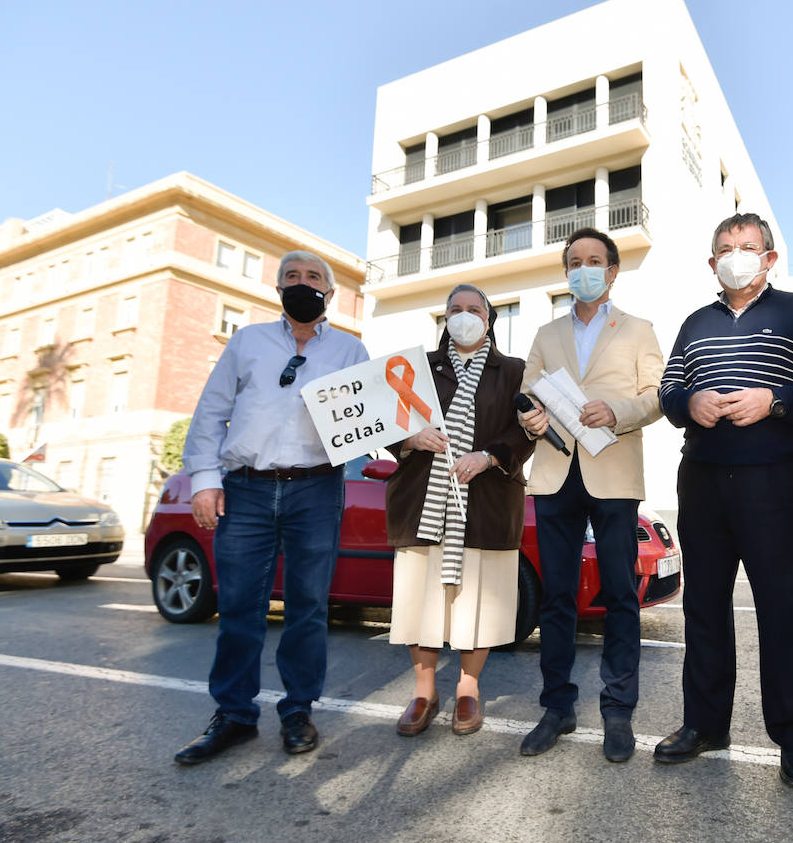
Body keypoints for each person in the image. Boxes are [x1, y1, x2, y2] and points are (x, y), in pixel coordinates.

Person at [656, 211, 793, 788]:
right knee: (704, 607)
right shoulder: (694, 324)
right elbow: (670, 386)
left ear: (768, 258)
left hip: (779, 480)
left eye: (747, 246)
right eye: (725, 247)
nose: (735, 254)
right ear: (712, 261)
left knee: (785, 607)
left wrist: (776, 401)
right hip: (704, 478)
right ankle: (705, 724)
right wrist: (688, 403)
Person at [175, 250, 369, 764]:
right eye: (291, 277)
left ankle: (298, 710)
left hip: (316, 489)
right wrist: (204, 480)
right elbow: (211, 412)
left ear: (329, 293)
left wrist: (413, 434)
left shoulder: (351, 349)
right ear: (277, 288)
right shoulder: (246, 342)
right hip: (246, 488)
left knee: (308, 608)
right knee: (239, 607)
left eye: (312, 278)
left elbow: (375, 416)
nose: (301, 283)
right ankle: (234, 715)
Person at [516, 227, 664, 764]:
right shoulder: (544, 332)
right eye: (574, 261)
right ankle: (557, 707)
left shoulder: (639, 329)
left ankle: (618, 710)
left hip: (613, 472)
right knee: (557, 597)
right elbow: (528, 394)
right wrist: (530, 417)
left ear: (612, 271)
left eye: (595, 260)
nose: (584, 268)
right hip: (556, 472)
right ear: (566, 272)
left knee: (621, 595)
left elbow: (657, 396)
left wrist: (617, 412)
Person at [382, 284, 534, 737]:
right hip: (421, 503)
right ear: (444, 317)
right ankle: (424, 691)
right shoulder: (418, 369)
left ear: (488, 319)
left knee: (478, 603)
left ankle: (469, 688)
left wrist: (488, 456)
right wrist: (409, 440)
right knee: (420, 602)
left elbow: (526, 431)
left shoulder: (513, 371)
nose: (464, 315)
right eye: (455, 309)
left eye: (473, 309)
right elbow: (383, 422)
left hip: (485, 503)